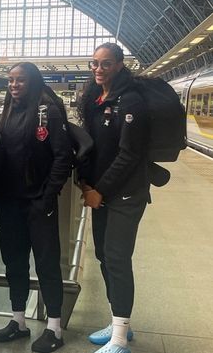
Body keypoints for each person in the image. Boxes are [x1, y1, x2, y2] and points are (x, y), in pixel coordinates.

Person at [0, 62, 72, 352]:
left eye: (20, 80)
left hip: (38, 202)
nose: (14, 85)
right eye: (10, 80)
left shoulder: (47, 111)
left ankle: (54, 328)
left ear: (33, 82)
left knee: (47, 264)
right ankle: (18, 321)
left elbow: (63, 157)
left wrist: (47, 196)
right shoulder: (5, 112)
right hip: (9, 202)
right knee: (15, 264)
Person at [78, 43, 148, 353]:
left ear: (120, 65)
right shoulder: (97, 99)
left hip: (126, 192)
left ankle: (120, 340)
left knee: (117, 259)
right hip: (101, 192)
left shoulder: (131, 101)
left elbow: (128, 155)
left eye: (106, 63)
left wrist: (99, 190)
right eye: (94, 63)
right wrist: (85, 182)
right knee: (104, 257)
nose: (98, 68)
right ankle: (118, 323)